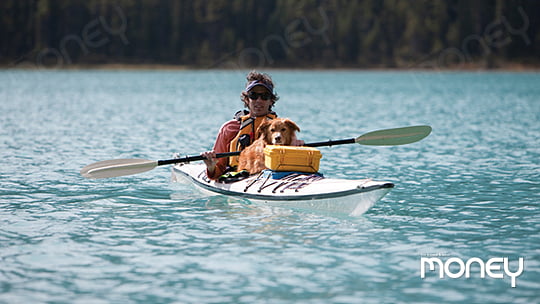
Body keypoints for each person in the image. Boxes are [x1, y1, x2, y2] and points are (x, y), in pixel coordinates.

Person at [201, 71, 303, 180]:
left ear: (271, 101)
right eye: (253, 95)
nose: (259, 100)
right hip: (238, 176)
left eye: (265, 96)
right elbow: (217, 173)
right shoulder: (229, 128)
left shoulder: (284, 128)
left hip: (273, 175)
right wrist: (211, 166)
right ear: (246, 99)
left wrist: (297, 146)